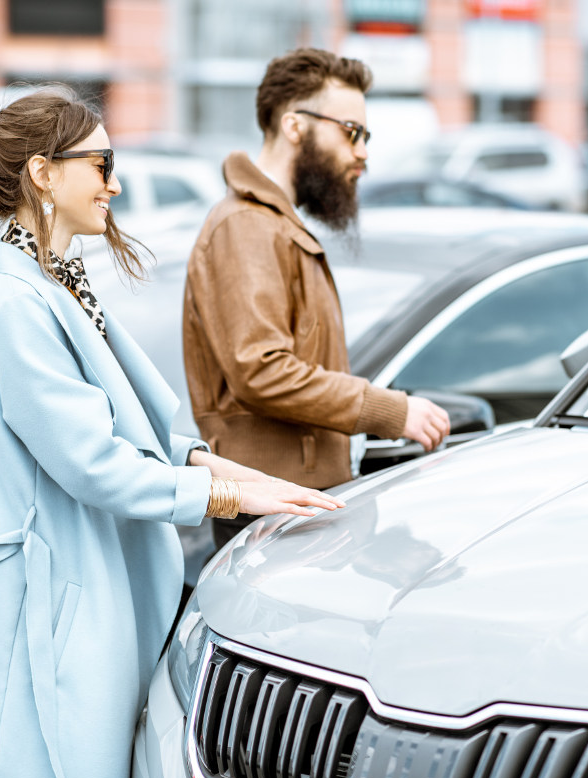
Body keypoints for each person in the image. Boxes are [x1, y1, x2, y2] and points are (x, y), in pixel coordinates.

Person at [0, 88, 342, 778]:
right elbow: (93, 461)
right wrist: (228, 491)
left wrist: (235, 477)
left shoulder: (53, 283)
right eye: (101, 163)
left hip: (64, 594)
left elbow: (142, 433)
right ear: (43, 174)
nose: (116, 181)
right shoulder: (14, 301)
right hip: (29, 613)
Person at [183, 48, 451, 548]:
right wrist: (393, 411)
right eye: (352, 132)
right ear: (294, 126)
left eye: (365, 136)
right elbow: (261, 371)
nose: (363, 152)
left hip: (294, 501)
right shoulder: (246, 225)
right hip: (272, 508)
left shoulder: (272, 223)